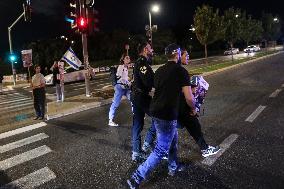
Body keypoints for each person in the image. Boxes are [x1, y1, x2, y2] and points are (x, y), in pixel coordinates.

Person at [127, 44, 196, 188]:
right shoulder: (181, 71)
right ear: (177, 54)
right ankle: (137, 177)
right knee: (160, 149)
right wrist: (194, 108)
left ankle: (173, 166)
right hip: (167, 114)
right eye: (181, 53)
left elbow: (157, 89)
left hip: (156, 111)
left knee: (173, 139)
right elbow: (189, 98)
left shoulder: (159, 71)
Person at [142, 49, 220, 158]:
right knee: (190, 124)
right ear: (178, 56)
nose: (188, 57)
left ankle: (162, 153)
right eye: (185, 55)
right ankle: (149, 163)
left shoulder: (161, 70)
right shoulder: (180, 71)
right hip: (174, 106)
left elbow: (166, 87)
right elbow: (186, 96)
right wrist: (193, 107)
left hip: (160, 107)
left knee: (170, 129)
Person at [130, 41, 156, 162]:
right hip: (141, 97)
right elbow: (148, 81)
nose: (152, 50)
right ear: (145, 49)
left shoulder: (140, 62)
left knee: (138, 124)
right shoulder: (142, 63)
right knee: (159, 117)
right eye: (150, 48)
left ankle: (136, 152)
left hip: (137, 96)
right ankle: (147, 144)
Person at [108, 53, 132, 126]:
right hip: (119, 88)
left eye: (129, 58)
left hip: (125, 88)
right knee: (115, 103)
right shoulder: (121, 67)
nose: (128, 59)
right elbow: (119, 78)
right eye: (127, 58)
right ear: (123, 59)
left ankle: (137, 115)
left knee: (133, 99)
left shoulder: (126, 67)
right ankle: (110, 120)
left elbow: (124, 77)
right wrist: (127, 82)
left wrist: (128, 81)